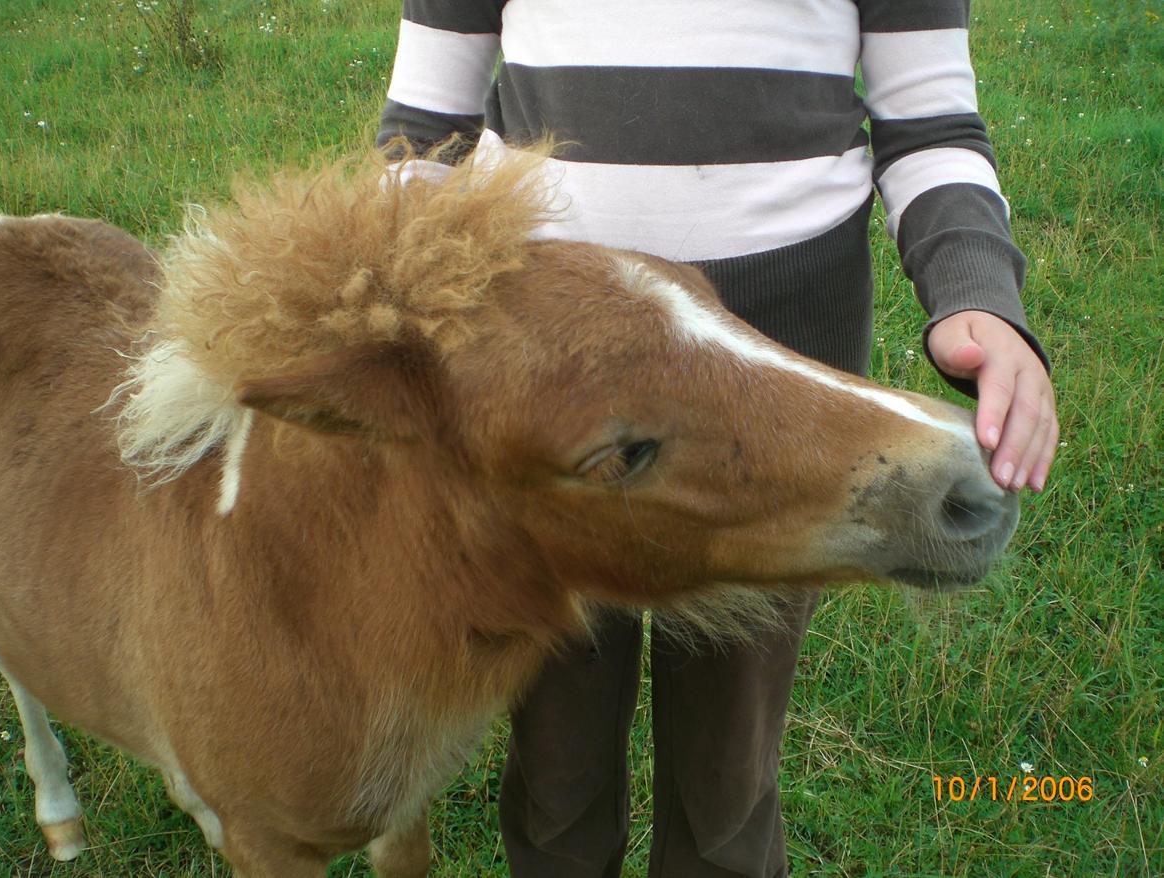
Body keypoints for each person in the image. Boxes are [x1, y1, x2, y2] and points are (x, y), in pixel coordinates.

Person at [375, 2, 1057, 875]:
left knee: (728, 764)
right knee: (555, 753)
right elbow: (428, 129)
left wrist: (976, 292)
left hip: (774, 390)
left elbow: (929, 120)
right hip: (545, 398)